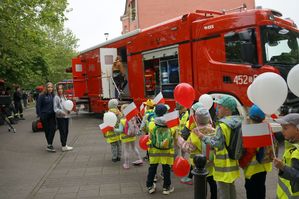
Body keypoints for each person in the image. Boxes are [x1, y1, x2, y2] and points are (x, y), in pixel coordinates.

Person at [196, 96, 242, 199]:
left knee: (223, 192)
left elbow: (217, 144)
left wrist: (202, 137)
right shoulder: (237, 122)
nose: (217, 109)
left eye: (220, 107)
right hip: (232, 162)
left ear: (227, 109)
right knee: (231, 188)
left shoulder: (222, 125)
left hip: (223, 166)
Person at [179, 107, 218, 198]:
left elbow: (189, 148)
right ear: (208, 118)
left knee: (201, 183)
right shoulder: (214, 131)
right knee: (212, 182)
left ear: (196, 118)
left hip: (198, 164)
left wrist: (180, 141)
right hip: (212, 161)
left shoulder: (195, 133)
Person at [239, 105, 272, 199]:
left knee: (251, 191)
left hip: (251, 169)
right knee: (261, 188)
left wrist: (242, 163)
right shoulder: (267, 127)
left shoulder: (251, 131)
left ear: (251, 117)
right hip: (264, 166)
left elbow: (250, 152)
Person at [146, 104, 175, 195]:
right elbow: (174, 136)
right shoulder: (171, 126)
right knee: (166, 170)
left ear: (155, 112)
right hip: (167, 152)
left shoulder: (151, 124)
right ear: (166, 113)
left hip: (154, 151)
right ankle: (166, 188)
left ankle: (150, 186)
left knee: (152, 169)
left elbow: (149, 135)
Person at [273, 113, 299, 198]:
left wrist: (283, 167)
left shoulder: (297, 151)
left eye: (285, 128)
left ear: (297, 129)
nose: (282, 131)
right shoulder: (292, 145)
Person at [115, 104, 143, 169]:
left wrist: (114, 129)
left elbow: (120, 130)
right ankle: (139, 159)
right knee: (134, 147)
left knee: (126, 150)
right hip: (132, 135)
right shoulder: (133, 118)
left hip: (125, 137)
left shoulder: (122, 120)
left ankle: (126, 164)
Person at [53, 84, 73, 152]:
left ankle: (65, 144)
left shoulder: (64, 96)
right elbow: (55, 109)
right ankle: (63, 146)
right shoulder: (56, 97)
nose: (60, 90)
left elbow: (66, 105)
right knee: (63, 131)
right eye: (59, 89)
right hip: (60, 117)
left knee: (66, 131)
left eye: (61, 89)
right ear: (57, 90)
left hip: (66, 116)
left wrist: (68, 110)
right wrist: (62, 112)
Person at [37, 82, 56, 152]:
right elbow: (38, 106)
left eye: (51, 87)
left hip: (52, 115)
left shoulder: (54, 95)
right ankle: (50, 144)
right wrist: (40, 115)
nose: (50, 88)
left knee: (53, 128)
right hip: (44, 115)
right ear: (46, 88)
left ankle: (49, 144)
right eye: (48, 87)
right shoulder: (41, 95)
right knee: (47, 130)